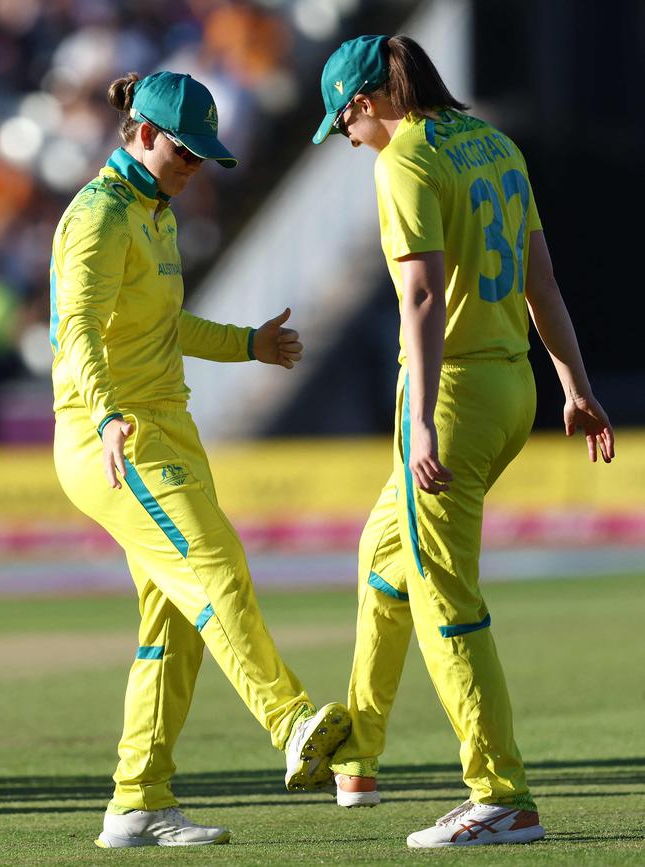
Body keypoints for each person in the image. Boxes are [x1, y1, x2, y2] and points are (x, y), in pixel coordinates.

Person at [312, 35, 614, 849]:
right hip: (513, 383)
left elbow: (418, 292)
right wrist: (575, 386)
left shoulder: (402, 159)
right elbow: (540, 280)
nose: (346, 138)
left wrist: (419, 419)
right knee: (384, 556)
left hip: (454, 395)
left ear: (367, 103)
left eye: (342, 122)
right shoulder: (496, 142)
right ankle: (359, 754)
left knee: (447, 600)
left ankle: (502, 793)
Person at [50, 70, 351, 849]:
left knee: (176, 623)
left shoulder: (153, 215)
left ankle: (136, 802)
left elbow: (164, 326)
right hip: (114, 436)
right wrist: (108, 411)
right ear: (144, 133)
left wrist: (247, 344)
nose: (192, 169)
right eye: (185, 153)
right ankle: (289, 721)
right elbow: (75, 329)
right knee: (216, 565)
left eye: (201, 159)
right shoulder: (98, 216)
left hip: (163, 431)